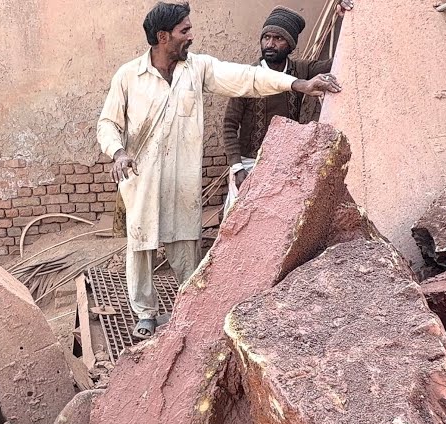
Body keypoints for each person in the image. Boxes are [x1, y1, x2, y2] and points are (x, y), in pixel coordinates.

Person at [99, 1, 342, 338]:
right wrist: (118, 152)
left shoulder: (197, 69)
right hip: (141, 179)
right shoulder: (128, 76)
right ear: (162, 36)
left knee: (186, 247)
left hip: (183, 183)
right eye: (185, 31)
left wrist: (297, 85)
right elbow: (107, 124)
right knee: (140, 246)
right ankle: (145, 314)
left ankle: (186, 314)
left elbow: (246, 77)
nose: (191, 36)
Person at [222, 3, 351, 216]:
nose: (270, 44)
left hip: (285, 163)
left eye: (278, 38)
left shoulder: (300, 70)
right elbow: (229, 126)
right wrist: (237, 167)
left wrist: (343, 19)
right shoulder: (248, 77)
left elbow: (336, 60)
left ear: (290, 44)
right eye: (266, 37)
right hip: (249, 163)